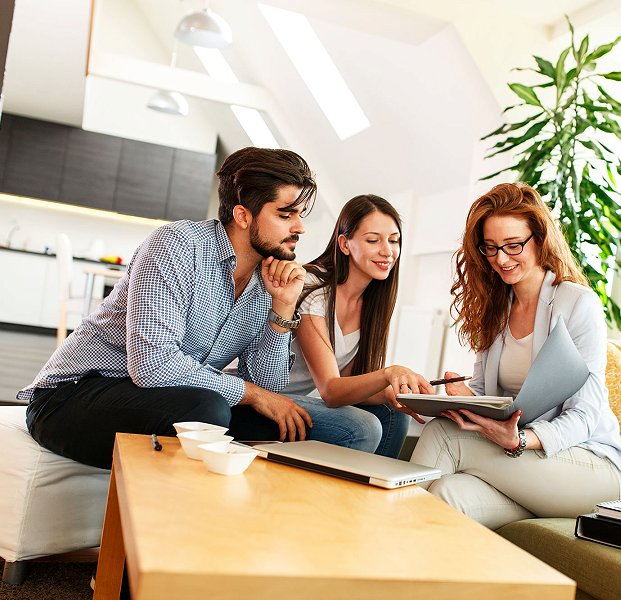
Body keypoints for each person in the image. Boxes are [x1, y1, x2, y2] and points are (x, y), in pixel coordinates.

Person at [19, 147, 386, 469]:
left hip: (174, 401)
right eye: (286, 214)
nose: (301, 227)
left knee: (355, 428)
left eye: (300, 214)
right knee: (206, 410)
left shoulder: (269, 281)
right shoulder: (178, 245)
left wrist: (282, 310)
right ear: (243, 216)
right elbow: (152, 365)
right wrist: (253, 395)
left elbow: (267, 388)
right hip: (73, 396)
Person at [409, 182, 621, 530]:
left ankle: (379, 546)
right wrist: (460, 399)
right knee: (447, 493)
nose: (501, 258)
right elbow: (492, 398)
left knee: (443, 437)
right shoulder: (496, 310)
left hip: (589, 467)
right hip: (527, 468)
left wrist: (522, 440)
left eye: (513, 245)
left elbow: (586, 415)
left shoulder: (577, 304)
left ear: (540, 240)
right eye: (491, 248)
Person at [281, 194, 432, 458]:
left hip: (302, 401)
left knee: (394, 413)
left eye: (394, 241)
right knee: (364, 427)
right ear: (345, 244)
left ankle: (375, 494)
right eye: (373, 240)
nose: (387, 251)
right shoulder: (313, 291)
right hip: (267, 398)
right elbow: (330, 390)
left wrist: (394, 392)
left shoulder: (371, 304)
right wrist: (388, 373)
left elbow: (349, 382)